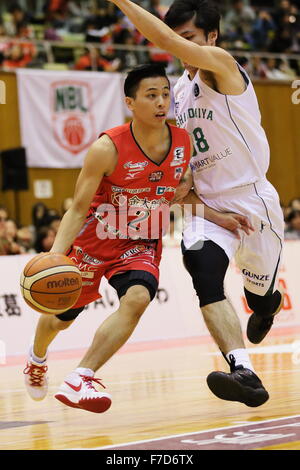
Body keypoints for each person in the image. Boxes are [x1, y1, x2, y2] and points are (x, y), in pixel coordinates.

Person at [24, 64, 251, 413]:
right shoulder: (106, 147)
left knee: (138, 297)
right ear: (130, 102)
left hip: (141, 242)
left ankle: (81, 376)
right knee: (61, 317)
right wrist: (56, 255)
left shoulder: (182, 142)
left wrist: (219, 217)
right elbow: (77, 208)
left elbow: (173, 196)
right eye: (151, 95)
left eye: (165, 94)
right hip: (95, 239)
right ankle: (37, 357)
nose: (162, 102)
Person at [106, 0, 285, 407]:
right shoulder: (178, 96)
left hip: (251, 199)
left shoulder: (222, 67)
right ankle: (245, 373)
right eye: (179, 38)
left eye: (188, 39)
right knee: (203, 272)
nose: (179, 47)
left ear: (212, 38)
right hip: (208, 209)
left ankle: (266, 304)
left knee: (259, 296)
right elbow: (181, 175)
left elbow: (165, 40)